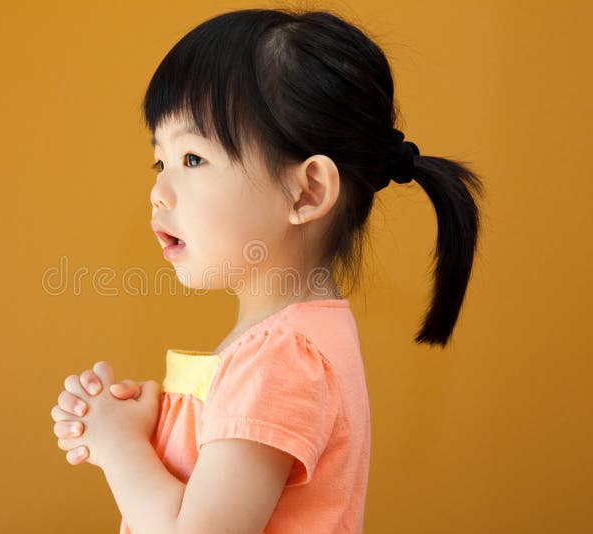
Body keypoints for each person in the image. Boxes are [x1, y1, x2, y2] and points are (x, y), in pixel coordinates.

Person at [50, 7, 483, 533]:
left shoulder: (281, 360)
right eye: (158, 161)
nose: (158, 192)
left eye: (192, 159)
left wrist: (119, 446)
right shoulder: (278, 346)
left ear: (307, 191)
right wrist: (158, 427)